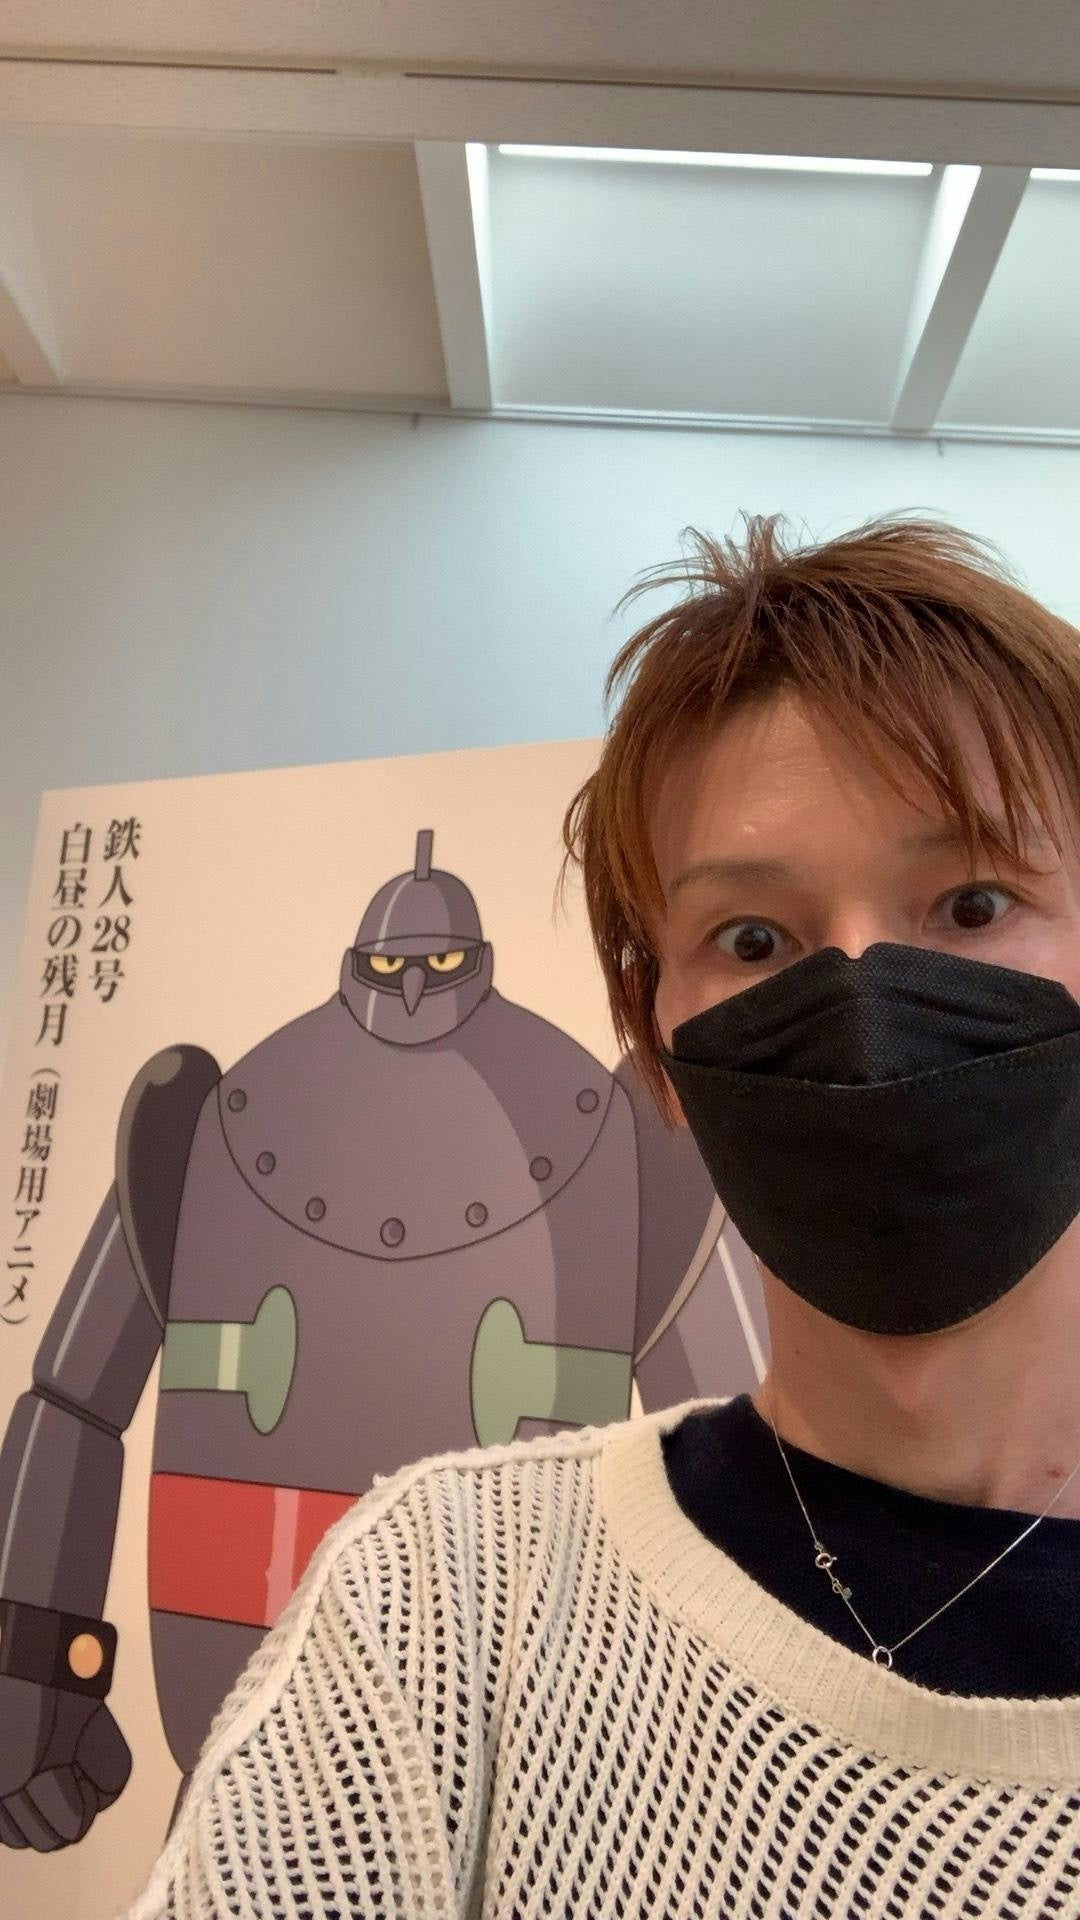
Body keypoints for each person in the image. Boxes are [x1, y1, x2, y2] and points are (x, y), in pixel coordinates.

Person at [122, 514, 1080, 1919]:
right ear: (655, 1044)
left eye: (975, 903)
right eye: (753, 940)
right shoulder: (444, 1601)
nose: (865, 1009)